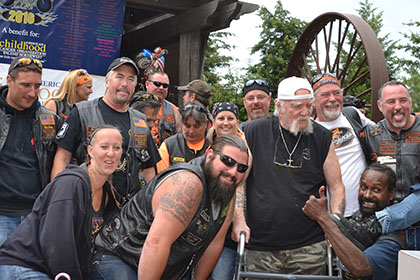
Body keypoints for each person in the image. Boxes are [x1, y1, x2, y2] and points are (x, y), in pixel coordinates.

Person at [88, 134, 249, 280]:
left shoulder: (226, 192)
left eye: (241, 168)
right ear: (210, 156)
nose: (233, 171)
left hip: (164, 268)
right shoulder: (188, 184)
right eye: (227, 161)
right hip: (119, 259)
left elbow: (214, 244)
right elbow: (156, 243)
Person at [234, 76, 345, 276]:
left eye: (309, 106)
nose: (305, 113)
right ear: (279, 105)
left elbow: (336, 186)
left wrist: (335, 224)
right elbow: (239, 183)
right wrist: (239, 220)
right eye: (297, 107)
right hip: (260, 244)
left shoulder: (321, 137)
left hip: (309, 244)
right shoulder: (252, 132)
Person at [0, 125, 123, 279]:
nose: (110, 153)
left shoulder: (109, 195)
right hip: (25, 264)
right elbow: (57, 241)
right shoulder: (71, 182)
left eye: (116, 148)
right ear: (90, 150)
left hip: (50, 268)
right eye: (104, 146)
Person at [51, 57, 160, 206]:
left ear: (135, 86)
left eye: (130, 79)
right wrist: (57, 200)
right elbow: (62, 158)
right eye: (119, 77)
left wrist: (152, 206)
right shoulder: (82, 112)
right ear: (107, 81)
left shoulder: (140, 121)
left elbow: (148, 169)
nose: (124, 84)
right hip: (86, 205)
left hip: (126, 213)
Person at [336, 81, 420, 251]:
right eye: (391, 102)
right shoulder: (370, 135)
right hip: (385, 231)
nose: (398, 106)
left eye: (403, 100)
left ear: (410, 103)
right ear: (380, 106)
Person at [303, 163, 404, 280]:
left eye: (376, 190)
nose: (367, 195)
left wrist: (323, 218)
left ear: (391, 194)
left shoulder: (393, 234)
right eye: (363, 187)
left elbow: (361, 268)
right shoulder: (355, 220)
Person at [0, 56, 59, 245]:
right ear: (9, 80)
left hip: (36, 213)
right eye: (26, 85)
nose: (33, 93)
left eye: (37, 86)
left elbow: (64, 162)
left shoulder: (51, 120)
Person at [313, 73, 374, 217]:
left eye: (336, 93)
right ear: (313, 101)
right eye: (325, 95)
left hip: (366, 209)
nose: (332, 99)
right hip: (332, 214)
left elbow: (382, 133)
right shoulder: (310, 130)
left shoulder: (353, 115)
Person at [207, 102, 253, 280]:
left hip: (225, 230)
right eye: (221, 118)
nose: (225, 122)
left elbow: (239, 186)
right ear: (213, 121)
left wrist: (238, 220)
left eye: (230, 118)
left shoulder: (243, 149)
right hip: (203, 228)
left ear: (237, 121)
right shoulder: (207, 144)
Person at [156, 101, 210, 173]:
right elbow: (162, 177)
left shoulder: (212, 146)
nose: (191, 131)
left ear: (206, 124)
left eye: (196, 126)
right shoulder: (169, 145)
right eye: (187, 126)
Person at [145, 71, 180, 146]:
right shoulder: (134, 105)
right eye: (157, 84)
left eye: (165, 86)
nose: (161, 88)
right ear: (147, 84)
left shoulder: (175, 111)